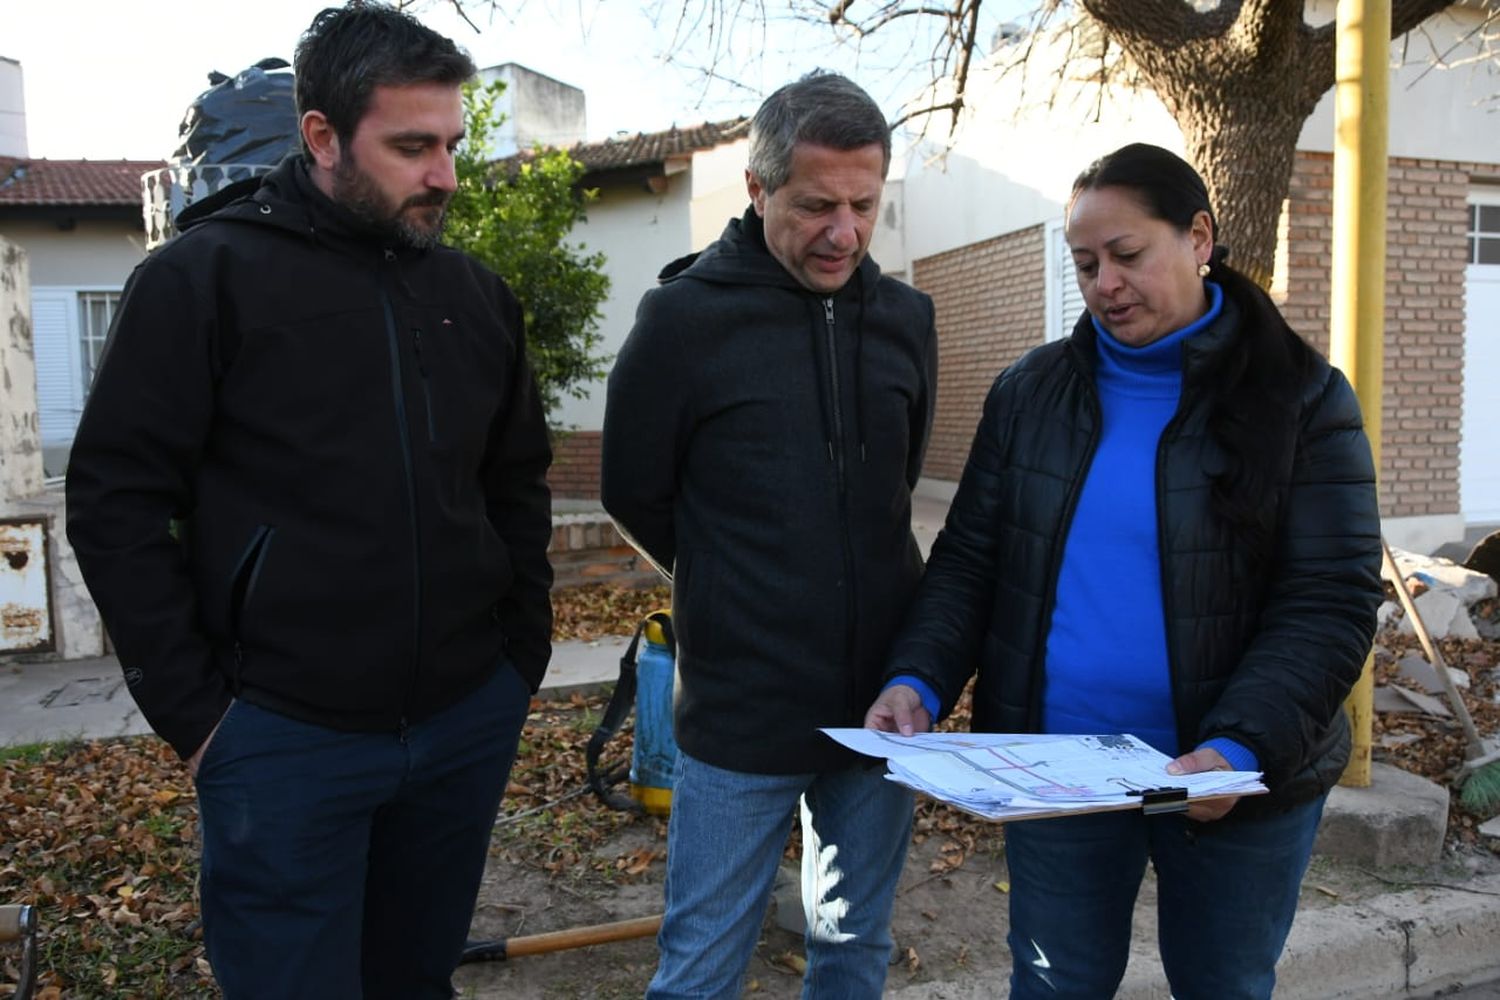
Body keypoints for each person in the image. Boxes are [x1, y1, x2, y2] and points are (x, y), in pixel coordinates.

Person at [64, 4, 553, 996]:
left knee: (416, 982)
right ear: (321, 136)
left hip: (463, 722)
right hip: (283, 741)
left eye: (452, 144)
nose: (446, 176)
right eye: (412, 146)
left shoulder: (477, 297)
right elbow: (113, 499)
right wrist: (204, 719)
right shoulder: (202, 280)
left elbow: (515, 485)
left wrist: (518, 656)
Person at [865, 142, 1382, 1000]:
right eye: (1085, 263)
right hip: (1056, 770)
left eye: (1128, 255)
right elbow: (970, 560)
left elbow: (1329, 601)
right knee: (1055, 983)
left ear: (1200, 236)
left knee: (1222, 983)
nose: (1105, 282)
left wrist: (1236, 745)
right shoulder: (1031, 393)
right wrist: (918, 676)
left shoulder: (1302, 398)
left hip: (1227, 780)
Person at [601, 71, 938, 998]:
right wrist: (731, 577)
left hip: (879, 714)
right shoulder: (682, 320)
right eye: (816, 205)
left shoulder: (909, 320)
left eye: (864, 205)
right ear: (758, 190)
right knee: (702, 962)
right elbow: (633, 489)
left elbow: (892, 489)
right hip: (738, 713)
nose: (844, 232)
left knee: (853, 946)